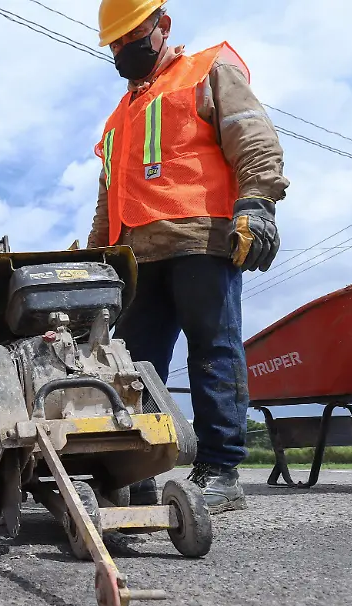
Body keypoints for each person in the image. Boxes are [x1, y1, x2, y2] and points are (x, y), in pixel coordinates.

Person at [89, 0, 289, 513]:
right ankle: (139, 470)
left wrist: (258, 204)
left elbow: (254, 140)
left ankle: (220, 471)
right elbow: (107, 197)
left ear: (162, 26)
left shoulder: (208, 70)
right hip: (137, 255)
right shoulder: (118, 119)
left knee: (213, 351)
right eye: (113, 43)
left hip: (202, 239)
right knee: (134, 368)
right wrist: (97, 260)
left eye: (130, 37)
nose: (121, 50)